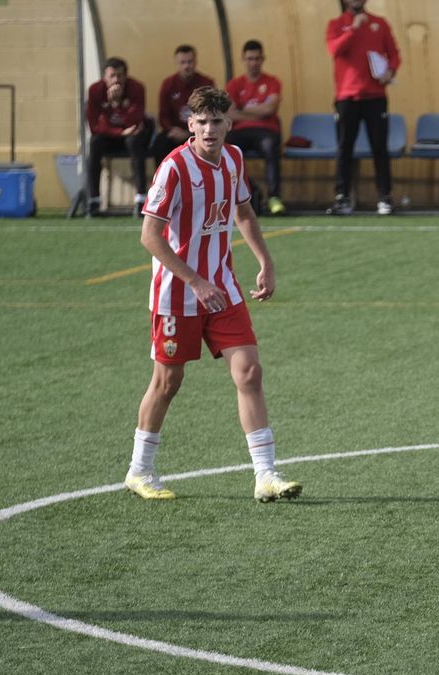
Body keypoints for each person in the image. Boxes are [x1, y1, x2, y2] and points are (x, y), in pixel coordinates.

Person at [124, 87, 301, 505]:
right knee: (168, 382)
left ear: (228, 124)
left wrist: (265, 261)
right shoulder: (173, 168)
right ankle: (139, 471)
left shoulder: (234, 159)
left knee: (249, 373)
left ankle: (266, 475)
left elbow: (243, 212)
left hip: (222, 289)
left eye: (216, 121)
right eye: (201, 122)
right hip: (177, 294)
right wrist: (194, 281)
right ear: (190, 124)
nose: (209, 129)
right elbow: (149, 235)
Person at [326, 0, 401, 216]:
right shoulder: (336, 24)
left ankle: (384, 197)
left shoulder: (380, 23)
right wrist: (353, 28)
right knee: (344, 149)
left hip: (375, 97)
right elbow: (334, 50)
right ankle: (342, 198)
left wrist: (390, 71)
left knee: (380, 148)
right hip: (346, 97)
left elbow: (394, 54)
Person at [226, 39, 288, 216]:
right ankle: (243, 193)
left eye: (257, 58)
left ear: (263, 59)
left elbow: (270, 109)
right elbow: (229, 114)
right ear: (243, 60)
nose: (253, 62)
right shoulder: (234, 84)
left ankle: (274, 197)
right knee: (226, 148)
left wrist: (243, 108)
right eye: (249, 59)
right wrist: (258, 111)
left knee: (271, 147)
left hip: (266, 131)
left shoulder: (273, 82)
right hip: (240, 131)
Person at [84, 57, 151, 217]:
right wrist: (118, 131)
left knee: (134, 141)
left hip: (131, 136)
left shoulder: (137, 88)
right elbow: (94, 126)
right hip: (110, 137)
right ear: (104, 77)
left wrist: (118, 104)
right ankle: (94, 200)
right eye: (112, 76)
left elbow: (135, 121)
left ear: (126, 76)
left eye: (120, 76)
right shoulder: (95, 90)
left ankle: (141, 199)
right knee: (94, 142)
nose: (116, 80)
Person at [150, 44, 216, 164]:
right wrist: (172, 129)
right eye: (182, 62)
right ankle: (163, 175)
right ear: (177, 63)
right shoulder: (168, 84)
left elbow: (211, 114)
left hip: (198, 132)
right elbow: (163, 115)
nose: (186, 66)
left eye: (190, 62)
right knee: (159, 143)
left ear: (195, 62)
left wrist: (190, 132)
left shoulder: (206, 83)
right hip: (174, 132)